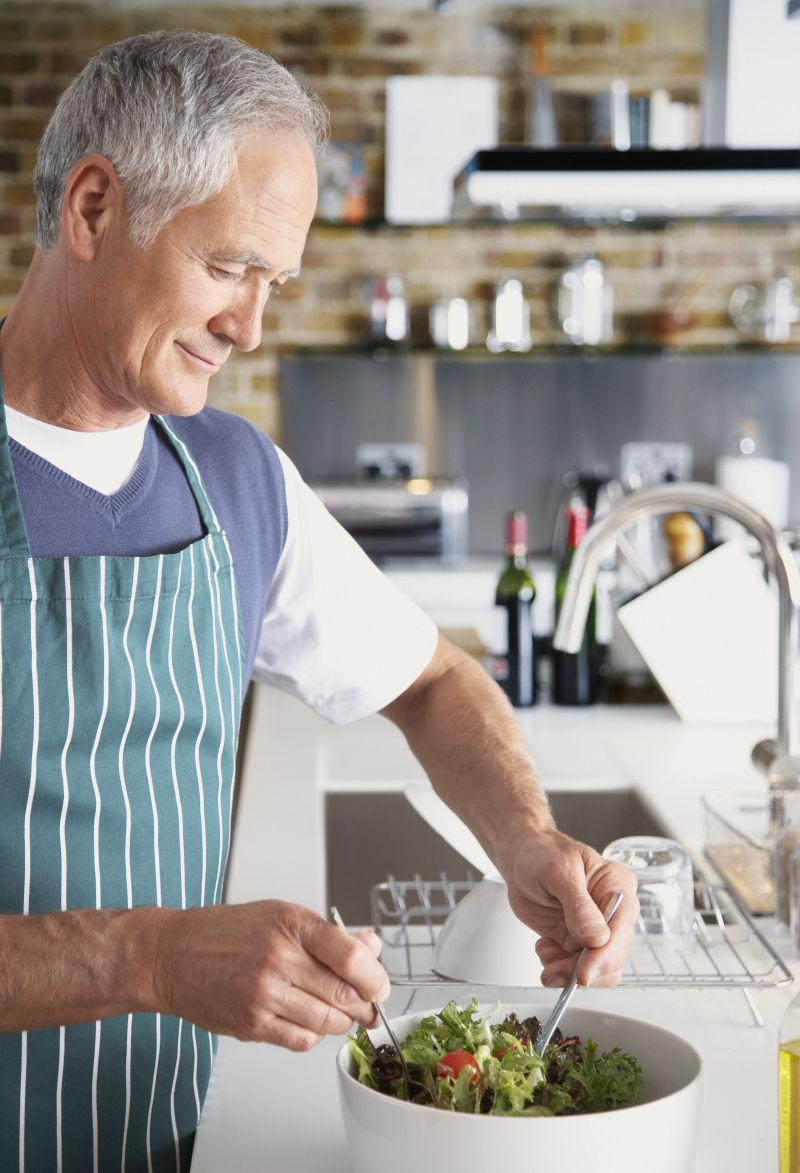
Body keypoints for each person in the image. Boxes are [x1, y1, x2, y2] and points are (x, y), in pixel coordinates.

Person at [0, 29, 639, 1172]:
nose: (249, 328)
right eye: (227, 266)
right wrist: (141, 961)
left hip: (164, 1135)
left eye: (272, 283)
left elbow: (433, 681)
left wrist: (526, 842)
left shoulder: (237, 480)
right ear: (92, 211)